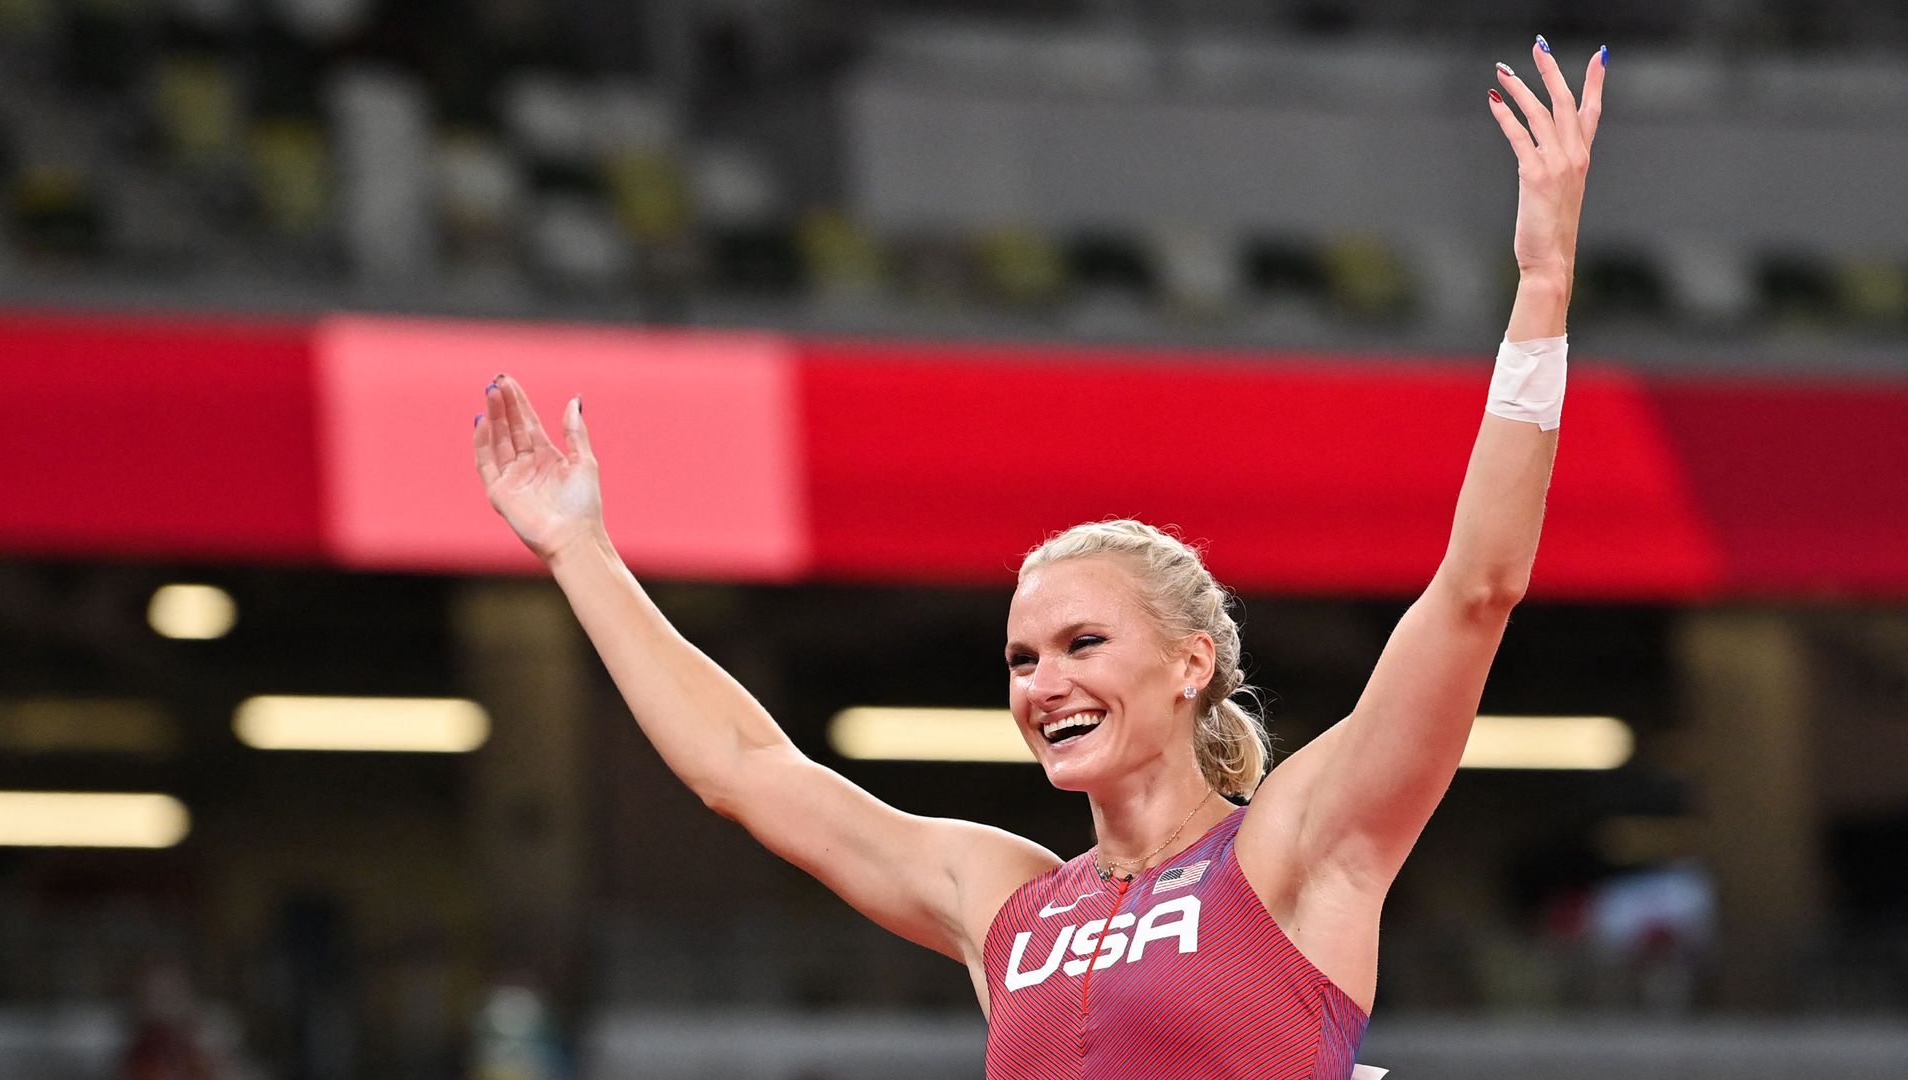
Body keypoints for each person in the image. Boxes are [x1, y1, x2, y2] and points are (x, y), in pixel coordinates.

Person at [471, 37, 1606, 1080]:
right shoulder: (1007, 904)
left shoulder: (1298, 845)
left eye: (1082, 643)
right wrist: (580, 550)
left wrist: (1544, 289)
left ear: (1190, 662)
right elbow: (746, 771)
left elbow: (1477, 592)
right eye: (1022, 659)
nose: (1043, 682)